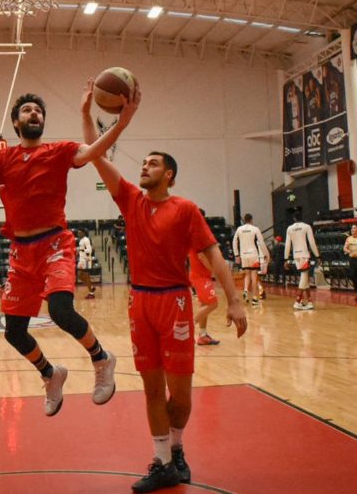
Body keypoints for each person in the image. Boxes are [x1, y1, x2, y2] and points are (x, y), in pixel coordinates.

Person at [80, 136, 246, 491]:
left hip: (175, 302)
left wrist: (234, 300)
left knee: (180, 394)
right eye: (143, 162)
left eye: (152, 163)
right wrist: (88, 112)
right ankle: (163, 461)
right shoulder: (130, 200)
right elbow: (95, 155)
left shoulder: (185, 209)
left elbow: (215, 256)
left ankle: (176, 448)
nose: (144, 166)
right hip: (139, 302)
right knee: (151, 389)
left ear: (169, 174)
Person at [0, 84, 134, 418]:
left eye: (38, 110)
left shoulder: (59, 150)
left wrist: (121, 122)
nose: (34, 113)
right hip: (21, 251)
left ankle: (101, 358)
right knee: (13, 332)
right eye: (27, 110)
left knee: (61, 310)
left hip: (55, 243)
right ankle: (50, 374)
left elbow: (91, 152)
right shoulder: (2, 158)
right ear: (17, 124)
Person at [231, 214, 270, 306]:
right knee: (254, 277)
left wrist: (237, 254)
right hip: (253, 254)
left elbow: (234, 241)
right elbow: (261, 242)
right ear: (251, 220)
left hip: (243, 255)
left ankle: (245, 290)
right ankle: (255, 298)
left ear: (244, 220)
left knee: (247, 274)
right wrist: (266, 254)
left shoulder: (239, 229)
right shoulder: (255, 229)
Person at [284, 214, 319, 310]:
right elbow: (312, 242)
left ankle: (309, 301)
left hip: (296, 255)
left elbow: (287, 245)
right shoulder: (307, 226)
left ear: (294, 218)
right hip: (304, 254)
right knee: (304, 277)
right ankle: (297, 301)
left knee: (305, 278)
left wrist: (286, 258)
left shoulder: (289, 228)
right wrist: (317, 255)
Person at [188, 245, 220, 346]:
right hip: (200, 277)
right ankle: (188, 328)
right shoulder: (198, 239)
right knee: (213, 304)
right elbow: (202, 256)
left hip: (201, 276)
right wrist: (215, 271)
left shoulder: (195, 239)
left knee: (204, 304)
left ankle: (203, 336)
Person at [76, 229, 96, 299]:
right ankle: (92, 287)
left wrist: (80, 250)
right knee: (79, 276)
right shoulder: (81, 240)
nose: (78, 234)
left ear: (84, 233)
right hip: (81, 260)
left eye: (80, 233)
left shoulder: (86, 240)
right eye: (78, 233)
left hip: (86, 260)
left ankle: (91, 293)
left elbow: (89, 250)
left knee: (86, 276)